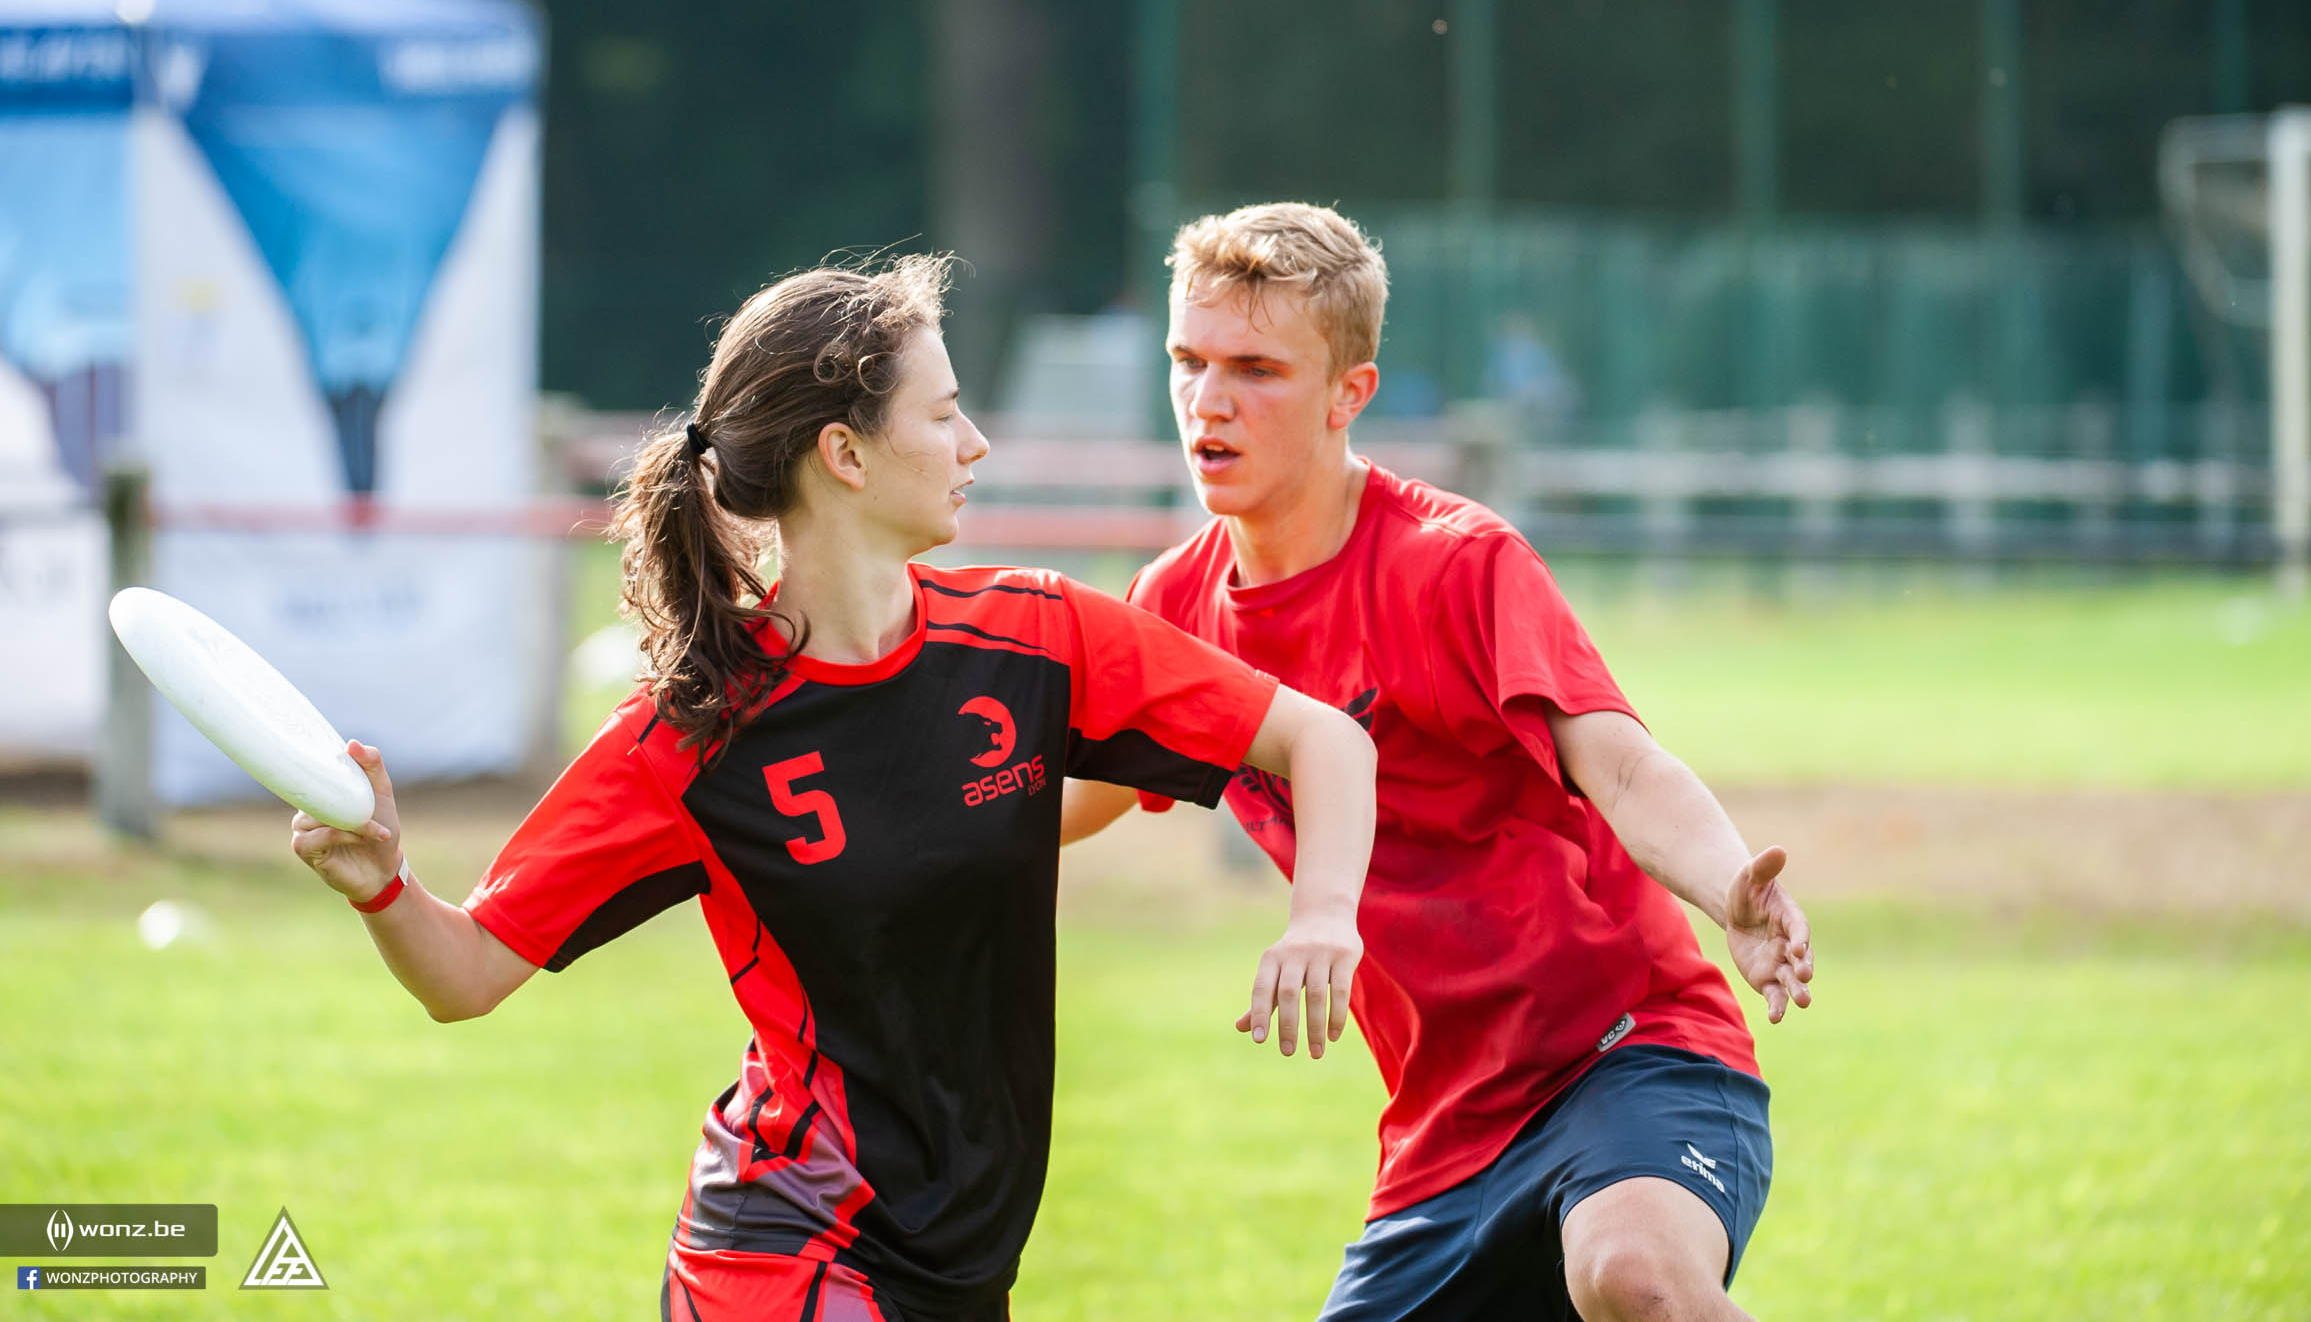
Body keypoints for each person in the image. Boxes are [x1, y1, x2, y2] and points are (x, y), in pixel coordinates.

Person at [288, 256, 1376, 1322]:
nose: (975, 443)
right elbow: (467, 972)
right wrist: (382, 883)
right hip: (786, 1244)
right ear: (846, 453)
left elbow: (1322, 740)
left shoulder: (1040, 637)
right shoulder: (694, 738)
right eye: (944, 414)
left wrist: (1324, 912)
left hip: (959, 1261)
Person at [1063, 205, 1814, 1322]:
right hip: (1442, 1141)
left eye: (1256, 369)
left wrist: (1726, 888)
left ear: (1347, 394)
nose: (1208, 401)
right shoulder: (1174, 607)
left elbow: (1618, 765)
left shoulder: (1454, 563)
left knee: (1635, 1276)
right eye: (1190, 360)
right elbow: (1064, 800)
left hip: (1627, 1056)